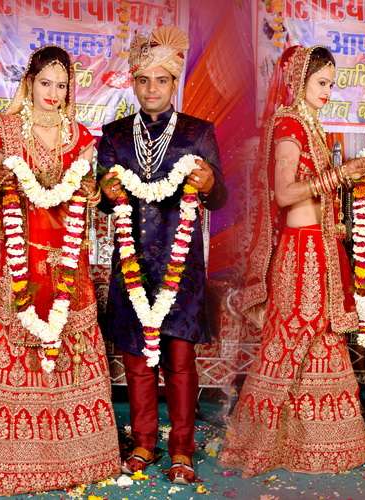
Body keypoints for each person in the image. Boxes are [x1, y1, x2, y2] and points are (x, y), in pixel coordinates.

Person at [0, 46, 118, 495]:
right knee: (10, 334)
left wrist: (92, 194)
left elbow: (88, 198)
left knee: (67, 339)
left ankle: (75, 456)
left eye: (61, 85)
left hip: (66, 260)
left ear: (70, 90)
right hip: (18, 257)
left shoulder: (80, 136)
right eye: (45, 83)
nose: (53, 93)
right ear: (29, 83)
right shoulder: (7, 129)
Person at [221, 45, 365, 476]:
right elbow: (285, 193)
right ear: (299, 80)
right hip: (299, 250)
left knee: (322, 337)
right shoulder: (289, 123)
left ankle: (320, 443)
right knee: (290, 341)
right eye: (321, 83)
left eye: (331, 84)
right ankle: (260, 444)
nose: (327, 91)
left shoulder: (311, 124)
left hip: (318, 247)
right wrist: (339, 175)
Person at [97, 26, 226, 484]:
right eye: (144, 80)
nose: (152, 89)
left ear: (174, 83)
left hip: (180, 264)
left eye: (162, 80)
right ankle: (144, 443)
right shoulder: (114, 135)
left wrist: (209, 183)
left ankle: (182, 448)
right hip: (132, 263)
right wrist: (105, 190)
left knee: (179, 358)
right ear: (133, 83)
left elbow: (220, 196)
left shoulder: (197, 132)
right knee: (136, 359)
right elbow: (102, 197)